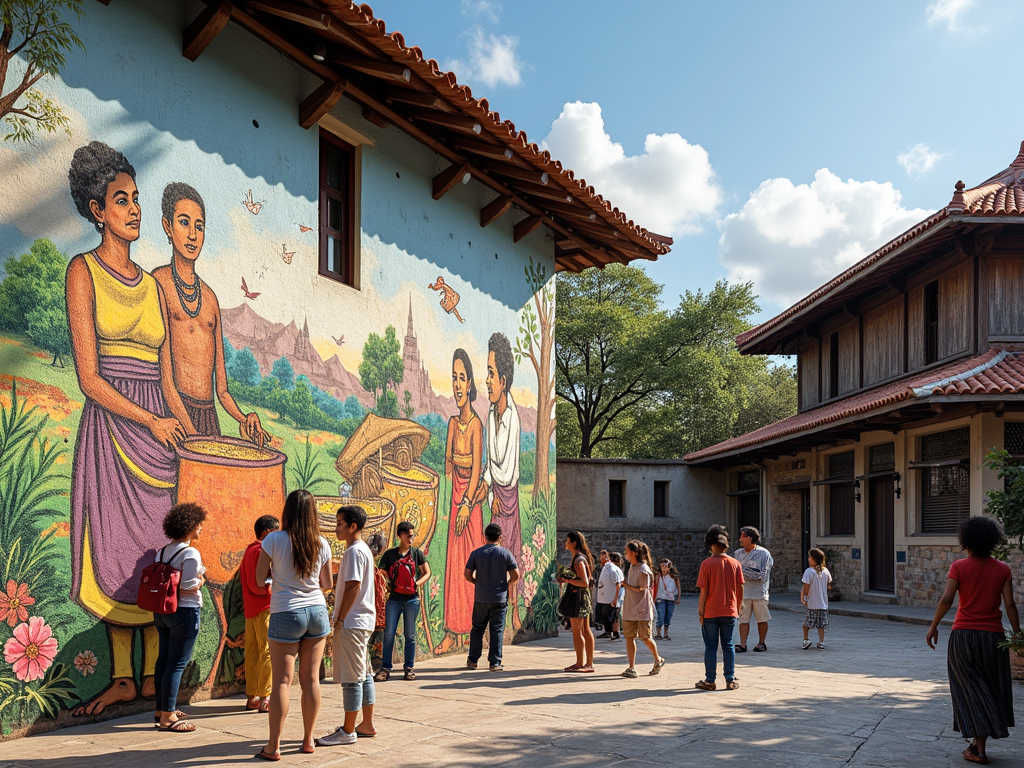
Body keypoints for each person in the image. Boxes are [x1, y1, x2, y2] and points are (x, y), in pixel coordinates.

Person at [66, 142, 196, 717]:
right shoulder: (82, 271)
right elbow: (89, 376)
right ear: (97, 210)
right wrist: (149, 419)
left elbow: (167, 379)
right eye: (123, 201)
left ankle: (154, 678)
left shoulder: (154, 287)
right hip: (114, 430)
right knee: (115, 555)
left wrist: (190, 437)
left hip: (161, 436)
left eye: (138, 199)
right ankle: (123, 677)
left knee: (155, 558)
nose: (135, 210)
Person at [151, 183, 269, 442]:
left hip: (208, 417)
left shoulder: (210, 299)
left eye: (199, 226)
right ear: (167, 226)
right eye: (184, 222)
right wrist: (193, 438)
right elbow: (165, 380)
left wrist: (243, 417)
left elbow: (222, 390)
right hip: (173, 414)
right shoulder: (157, 283)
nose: (192, 234)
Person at [927, 517, 1019, 765]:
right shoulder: (1003, 569)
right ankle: (978, 745)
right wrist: (1018, 634)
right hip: (993, 637)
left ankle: (978, 749)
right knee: (989, 686)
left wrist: (934, 625)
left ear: (966, 541)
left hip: (963, 637)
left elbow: (946, 599)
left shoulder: (959, 567)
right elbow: (1010, 604)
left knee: (969, 689)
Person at [254, 490, 333, 760]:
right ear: (313, 514)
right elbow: (327, 585)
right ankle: (308, 739)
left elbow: (257, 580)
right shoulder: (322, 543)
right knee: (311, 680)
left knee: (282, 682)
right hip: (316, 612)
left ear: (287, 511)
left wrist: (277, 576)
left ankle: (273, 746)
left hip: (286, 611)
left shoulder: (273, 540)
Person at [317, 506, 378, 747]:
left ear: (353, 526)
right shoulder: (362, 550)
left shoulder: (354, 551)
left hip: (352, 622)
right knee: (364, 674)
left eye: (340, 523)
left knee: (353, 678)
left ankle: (348, 730)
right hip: (362, 621)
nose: (336, 528)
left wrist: (340, 618)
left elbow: (353, 585)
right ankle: (366, 724)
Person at [439, 349, 485, 654]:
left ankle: (470, 630)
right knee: (454, 567)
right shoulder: (452, 424)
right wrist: (448, 506)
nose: (457, 384)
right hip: (455, 496)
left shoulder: (476, 425)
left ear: (470, 383)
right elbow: (447, 466)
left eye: (462, 378)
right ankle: (452, 633)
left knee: (471, 566)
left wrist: (467, 506)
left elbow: (477, 469)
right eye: (453, 378)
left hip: (471, 503)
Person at [153, 502, 207, 733]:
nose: (201, 529)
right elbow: (187, 587)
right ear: (190, 526)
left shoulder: (162, 551)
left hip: (162, 611)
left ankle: (162, 708)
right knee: (177, 664)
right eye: (199, 525)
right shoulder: (191, 552)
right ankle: (168, 717)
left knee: (164, 660)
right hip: (184, 611)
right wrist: (202, 581)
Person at [483, 333, 523, 630]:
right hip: (495, 496)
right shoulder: (489, 414)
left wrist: (493, 486)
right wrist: (483, 490)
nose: (487, 380)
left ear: (504, 380)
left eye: (491, 373)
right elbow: (488, 463)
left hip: (507, 495)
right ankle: (496, 607)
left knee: (509, 555)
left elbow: (507, 469)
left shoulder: (512, 417)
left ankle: (514, 612)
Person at [375, 521, 431, 681]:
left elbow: (427, 572)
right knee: (389, 634)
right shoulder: (390, 555)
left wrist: (416, 584)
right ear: (400, 535)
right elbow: (382, 573)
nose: (411, 538)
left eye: (412, 535)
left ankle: (409, 668)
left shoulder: (416, 553)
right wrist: (386, 585)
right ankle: (385, 668)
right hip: (394, 599)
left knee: (410, 635)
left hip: (412, 600)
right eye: (408, 535)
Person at [465, 522, 520, 672]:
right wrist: (508, 584)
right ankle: (494, 663)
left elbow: (467, 574)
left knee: (477, 629)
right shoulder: (505, 553)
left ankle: (472, 660)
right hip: (499, 598)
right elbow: (516, 575)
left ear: (485, 536)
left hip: (481, 598)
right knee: (496, 630)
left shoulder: (476, 553)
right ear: (500, 537)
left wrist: (477, 582)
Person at [695, 527, 744, 691]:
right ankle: (730, 679)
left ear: (711, 546)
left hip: (710, 612)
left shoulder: (706, 564)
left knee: (710, 647)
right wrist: (737, 608)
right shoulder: (735, 563)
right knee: (728, 645)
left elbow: (704, 591)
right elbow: (740, 589)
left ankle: (710, 681)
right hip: (729, 611)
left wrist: (701, 612)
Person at [241, 514, 279, 713]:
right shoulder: (261, 551)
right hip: (264, 607)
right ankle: (265, 696)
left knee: (254, 652)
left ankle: (252, 696)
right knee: (267, 652)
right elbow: (260, 583)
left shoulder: (249, 551)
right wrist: (272, 587)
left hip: (251, 609)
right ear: (267, 532)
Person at [620, 540, 664, 678]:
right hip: (629, 608)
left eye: (626, 551)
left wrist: (626, 586)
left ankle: (658, 659)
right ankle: (631, 667)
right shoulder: (632, 567)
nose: (625, 554)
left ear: (634, 553)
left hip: (642, 609)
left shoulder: (644, 569)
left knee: (645, 637)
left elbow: (643, 588)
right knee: (629, 637)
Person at [558, 531, 596, 673]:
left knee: (577, 632)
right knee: (585, 630)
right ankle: (587, 663)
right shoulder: (580, 557)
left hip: (578, 598)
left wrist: (566, 579)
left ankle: (582, 663)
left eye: (567, 540)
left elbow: (584, 582)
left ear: (574, 542)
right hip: (582, 598)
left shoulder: (579, 560)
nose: (565, 543)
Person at [734, 526, 774, 653]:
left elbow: (761, 575)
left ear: (749, 538)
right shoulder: (737, 553)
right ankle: (743, 644)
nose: (740, 539)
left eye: (742, 536)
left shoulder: (764, 554)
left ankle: (761, 643)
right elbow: (735, 573)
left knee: (762, 619)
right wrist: (746, 572)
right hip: (743, 592)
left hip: (759, 593)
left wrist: (741, 570)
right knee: (743, 620)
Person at [801, 548, 832, 650]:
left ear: (814, 559)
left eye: (810, 557)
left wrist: (804, 598)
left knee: (806, 625)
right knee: (821, 625)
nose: (808, 559)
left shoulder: (809, 571)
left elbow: (806, 587)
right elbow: (829, 585)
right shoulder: (826, 571)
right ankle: (821, 642)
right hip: (823, 604)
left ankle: (806, 640)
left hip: (812, 604)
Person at [366, 533, 388, 673]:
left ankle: (372, 668)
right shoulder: (374, 570)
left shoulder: (374, 570)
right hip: (375, 612)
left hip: (373, 611)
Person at [595, 549, 624, 640]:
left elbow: (618, 584)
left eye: (604, 556)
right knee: (606, 616)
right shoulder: (607, 567)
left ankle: (616, 633)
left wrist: (615, 599)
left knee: (613, 616)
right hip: (605, 597)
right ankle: (608, 632)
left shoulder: (612, 569)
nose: (601, 558)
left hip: (611, 598)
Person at [653, 559, 682, 640]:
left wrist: (679, 597)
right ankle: (658, 634)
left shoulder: (674, 576)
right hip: (660, 599)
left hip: (671, 599)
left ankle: (666, 634)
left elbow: (679, 587)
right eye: (662, 566)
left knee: (668, 617)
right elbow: (654, 586)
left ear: (669, 567)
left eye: (665, 566)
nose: (664, 568)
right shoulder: (658, 576)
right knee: (660, 617)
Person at [610, 552, 626, 640]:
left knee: (616, 612)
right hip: (619, 591)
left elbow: (619, 583)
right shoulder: (619, 568)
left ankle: (617, 631)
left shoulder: (617, 568)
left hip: (619, 591)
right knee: (617, 612)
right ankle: (616, 631)